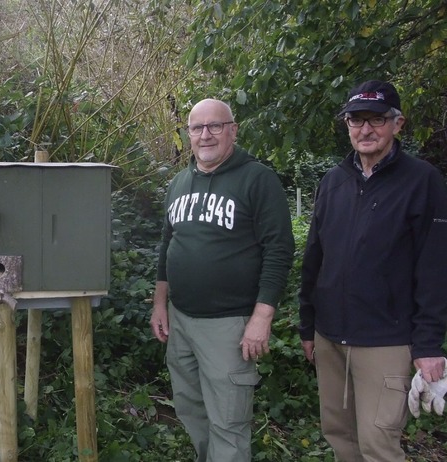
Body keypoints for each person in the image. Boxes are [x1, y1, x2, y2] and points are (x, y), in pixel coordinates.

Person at [299, 79, 447, 461]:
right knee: (339, 437)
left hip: (386, 340)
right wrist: (307, 325)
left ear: (397, 124)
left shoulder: (423, 181)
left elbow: (435, 269)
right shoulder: (333, 182)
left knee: (378, 444)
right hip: (329, 337)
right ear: (347, 125)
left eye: (376, 120)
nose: (365, 129)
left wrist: (429, 345)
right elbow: (315, 258)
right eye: (356, 119)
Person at [150, 98, 295, 462]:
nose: (206, 135)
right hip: (181, 321)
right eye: (197, 128)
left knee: (228, 424)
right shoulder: (179, 183)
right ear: (188, 134)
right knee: (191, 411)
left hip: (229, 325)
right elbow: (167, 247)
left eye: (215, 126)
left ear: (233, 130)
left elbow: (279, 250)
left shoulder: (257, 179)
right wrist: (159, 304)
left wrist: (262, 318)